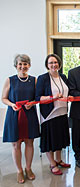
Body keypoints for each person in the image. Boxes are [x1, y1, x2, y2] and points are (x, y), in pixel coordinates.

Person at [2, 54, 40, 183]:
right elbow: (4, 98)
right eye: (20, 64)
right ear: (16, 65)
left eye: (25, 64)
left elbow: (37, 98)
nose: (23, 66)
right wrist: (12, 104)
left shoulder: (34, 80)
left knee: (30, 142)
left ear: (29, 65)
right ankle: (19, 171)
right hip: (14, 114)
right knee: (16, 144)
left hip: (29, 114)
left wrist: (32, 103)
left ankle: (28, 168)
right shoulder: (10, 80)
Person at [36, 54, 71, 175]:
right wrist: (53, 97)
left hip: (62, 112)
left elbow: (67, 91)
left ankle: (59, 159)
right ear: (47, 65)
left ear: (59, 64)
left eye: (55, 62)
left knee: (59, 139)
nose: (53, 65)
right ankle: (52, 164)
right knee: (49, 140)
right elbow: (38, 98)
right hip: (49, 114)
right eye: (51, 63)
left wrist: (69, 97)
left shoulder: (63, 77)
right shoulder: (43, 78)